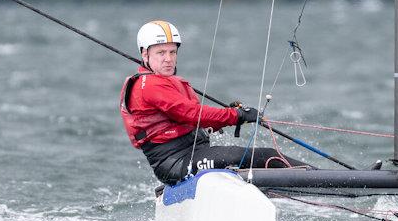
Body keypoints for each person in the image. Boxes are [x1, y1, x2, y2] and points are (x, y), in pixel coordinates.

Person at [120, 20, 309, 185]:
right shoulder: (149, 86)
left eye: (172, 52)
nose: (168, 59)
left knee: (253, 157)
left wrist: (226, 115)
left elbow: (195, 117)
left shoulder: (164, 82)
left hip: (193, 154)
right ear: (145, 54)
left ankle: (312, 179)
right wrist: (236, 116)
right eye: (161, 53)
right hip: (176, 164)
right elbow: (192, 114)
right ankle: (323, 180)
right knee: (265, 156)